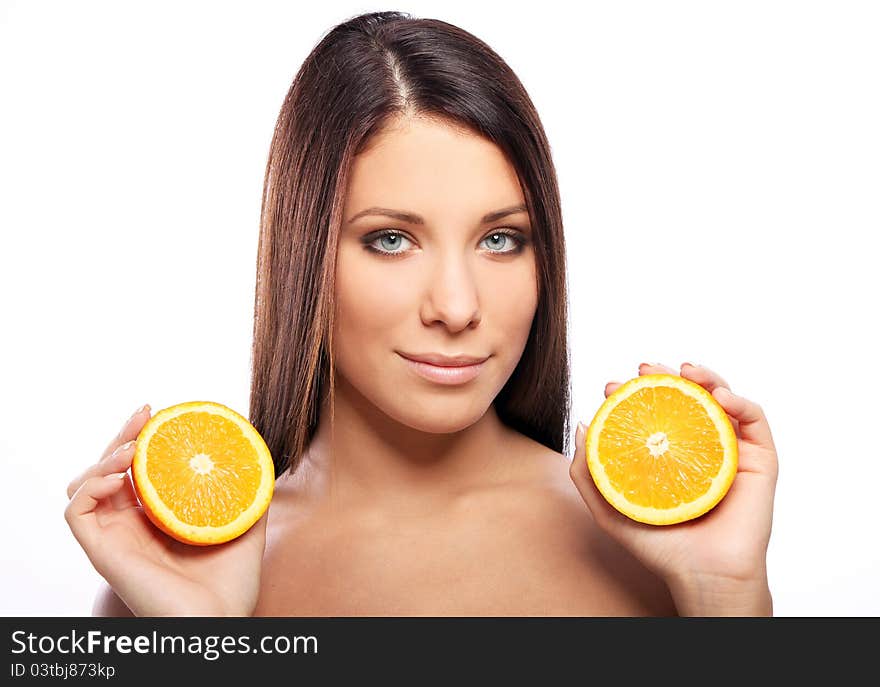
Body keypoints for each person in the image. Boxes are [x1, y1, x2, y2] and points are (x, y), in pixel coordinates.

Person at [65, 10, 779, 616]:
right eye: (392, 240)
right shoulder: (176, 583)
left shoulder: (651, 558)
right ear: (304, 252)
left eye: (501, 239)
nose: (458, 306)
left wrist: (728, 596)